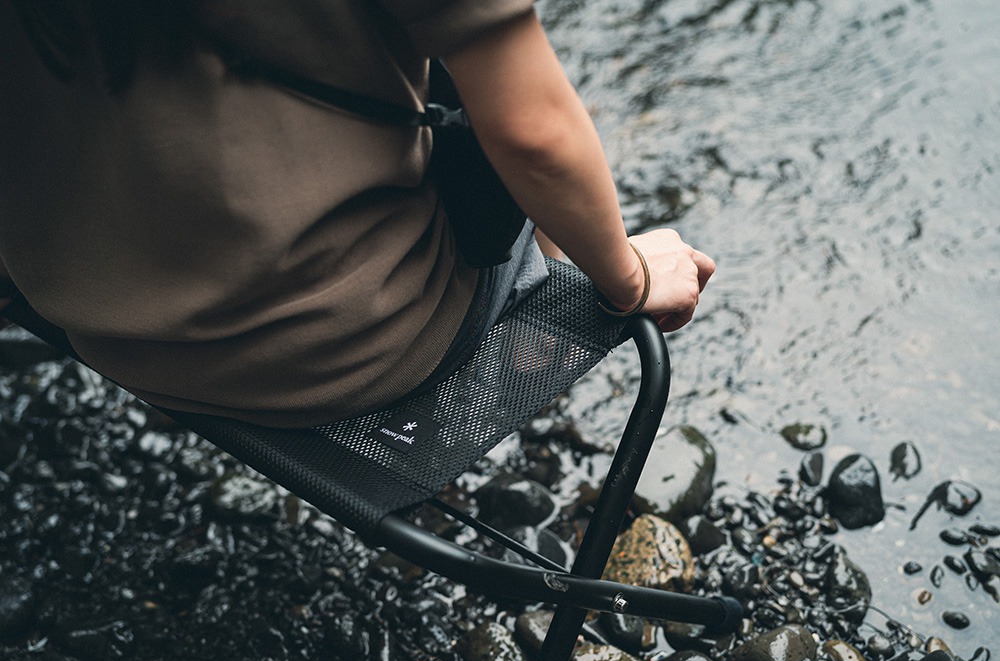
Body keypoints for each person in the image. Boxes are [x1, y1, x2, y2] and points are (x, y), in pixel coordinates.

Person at [0, 1, 714, 428]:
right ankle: (543, 300)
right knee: (507, 95)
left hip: (82, 305)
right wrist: (628, 278)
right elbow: (538, 137)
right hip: (324, 344)